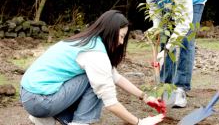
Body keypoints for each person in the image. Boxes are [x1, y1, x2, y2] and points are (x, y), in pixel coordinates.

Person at [20, 10, 164, 125]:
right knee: (96, 82)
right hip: (40, 101)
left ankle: (45, 119)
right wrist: (140, 122)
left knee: (98, 77)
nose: (121, 42)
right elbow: (111, 103)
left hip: (29, 95)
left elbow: (116, 77)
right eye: (120, 36)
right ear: (110, 32)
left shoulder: (88, 41)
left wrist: (144, 96)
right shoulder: (95, 54)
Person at [136, 0, 208, 108]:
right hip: (167, 1)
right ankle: (165, 86)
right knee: (163, 38)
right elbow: (153, 4)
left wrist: (168, 49)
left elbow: (184, 23)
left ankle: (181, 88)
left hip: (193, 0)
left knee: (186, 41)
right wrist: (157, 27)